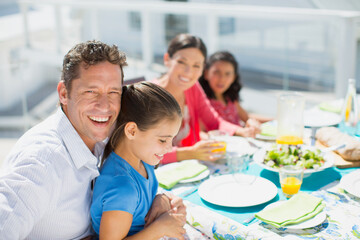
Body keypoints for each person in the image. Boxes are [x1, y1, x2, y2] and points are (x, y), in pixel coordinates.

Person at [0, 40, 185, 239]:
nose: (104, 106)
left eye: (113, 92)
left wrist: (161, 199)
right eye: (91, 91)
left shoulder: (103, 131)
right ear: (64, 93)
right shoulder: (41, 163)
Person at [90, 82, 186, 239]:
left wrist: (161, 199)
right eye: (163, 140)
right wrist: (160, 228)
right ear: (132, 131)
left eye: (171, 139)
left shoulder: (143, 161)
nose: (169, 148)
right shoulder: (122, 188)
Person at [153, 33, 260, 164]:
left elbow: (214, 122)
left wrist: (243, 131)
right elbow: (146, 151)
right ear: (167, 59)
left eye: (196, 65)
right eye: (181, 62)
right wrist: (190, 153)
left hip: (191, 166)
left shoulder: (192, 87)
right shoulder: (151, 95)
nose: (188, 72)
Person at [199, 51, 272, 128]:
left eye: (227, 74)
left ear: (233, 77)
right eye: (217, 72)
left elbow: (246, 117)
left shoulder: (231, 98)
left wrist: (274, 120)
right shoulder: (203, 102)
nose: (222, 79)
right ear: (206, 74)